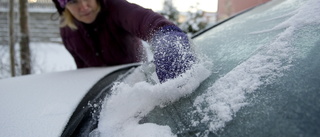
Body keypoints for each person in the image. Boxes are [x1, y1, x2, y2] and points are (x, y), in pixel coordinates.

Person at [52, 0, 195, 83]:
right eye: (73, 0)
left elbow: (147, 21)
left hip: (136, 84)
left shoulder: (116, 8)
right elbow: (82, 68)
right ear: (63, 5)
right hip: (99, 93)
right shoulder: (67, 30)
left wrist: (167, 37)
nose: (83, 6)